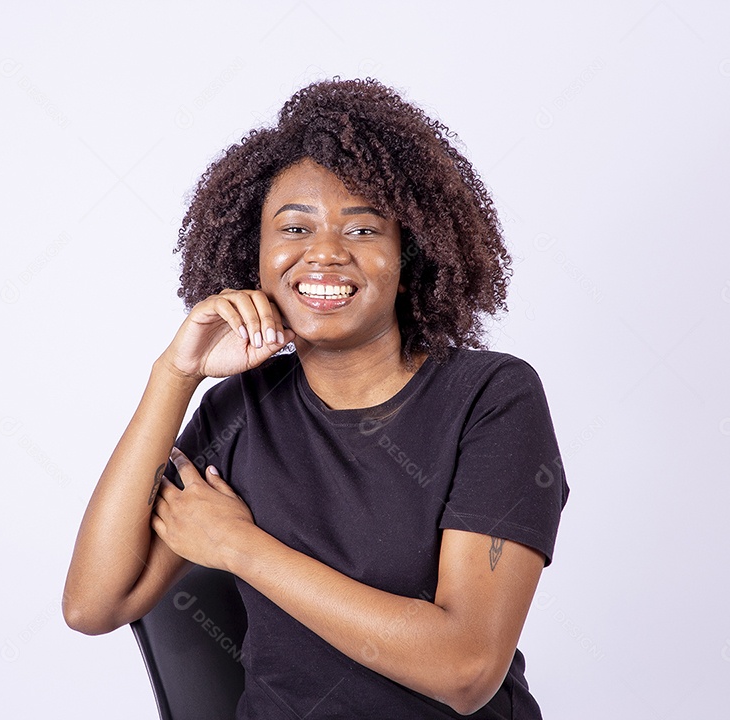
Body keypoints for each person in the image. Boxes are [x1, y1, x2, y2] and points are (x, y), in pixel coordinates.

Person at [63, 77, 570, 719]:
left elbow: (465, 668)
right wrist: (176, 374)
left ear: (408, 255)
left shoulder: (493, 398)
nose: (324, 253)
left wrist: (242, 548)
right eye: (294, 228)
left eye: (362, 231)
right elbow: (93, 603)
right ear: (256, 254)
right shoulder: (242, 412)